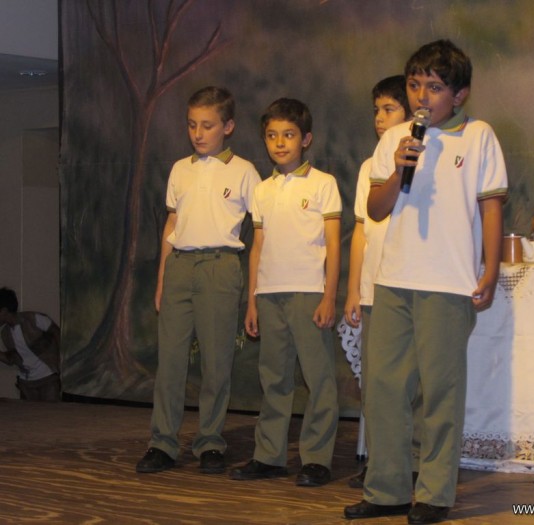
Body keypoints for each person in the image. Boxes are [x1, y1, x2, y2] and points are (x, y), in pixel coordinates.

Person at [344, 40, 508, 524]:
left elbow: (490, 207)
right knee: (384, 389)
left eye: (434, 87)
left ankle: (434, 492)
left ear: (459, 95)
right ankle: (387, 489)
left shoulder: (479, 136)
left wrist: (491, 268)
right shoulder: (395, 139)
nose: (421, 95)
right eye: (415, 84)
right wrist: (399, 168)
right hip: (393, 279)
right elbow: (375, 209)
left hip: (449, 283)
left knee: (440, 391)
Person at [136, 86, 261, 475]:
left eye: (207, 125)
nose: (198, 133)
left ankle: (210, 442)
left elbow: (261, 230)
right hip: (180, 267)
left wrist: (255, 291)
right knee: (170, 362)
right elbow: (171, 224)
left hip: (220, 266)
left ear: (228, 126)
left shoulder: (244, 171)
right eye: (192, 125)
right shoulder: (180, 169)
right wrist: (162, 278)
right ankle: (162, 443)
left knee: (216, 361)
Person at [230, 98, 341, 487]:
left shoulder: (323, 184)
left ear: (305, 139)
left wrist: (329, 295)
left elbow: (333, 243)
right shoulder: (262, 190)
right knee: (274, 378)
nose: (280, 143)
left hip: (309, 293)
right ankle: (269, 456)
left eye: (289, 135)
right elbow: (257, 247)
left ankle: (317, 459)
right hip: (270, 294)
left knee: (318, 378)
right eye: (272, 135)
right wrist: (252, 300)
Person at [343, 75, 422, 489]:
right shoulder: (368, 167)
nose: (379, 117)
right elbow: (362, 228)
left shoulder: (426, 155)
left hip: (410, 281)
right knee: (377, 382)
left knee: (415, 382)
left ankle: (416, 463)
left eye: (389, 109)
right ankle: (380, 464)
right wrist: (353, 289)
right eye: (376, 110)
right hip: (374, 285)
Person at [0, 287, 61, 401]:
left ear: (4, 310)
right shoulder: (5, 333)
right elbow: (12, 359)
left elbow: (57, 333)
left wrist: (61, 362)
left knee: (51, 412)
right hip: (26, 383)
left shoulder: (33, 319)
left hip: (48, 378)